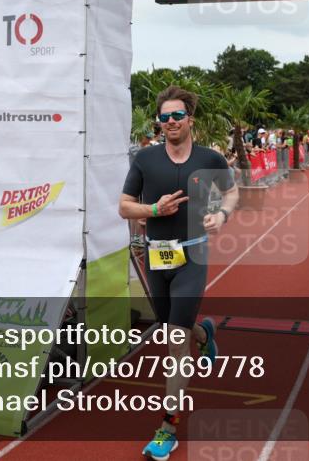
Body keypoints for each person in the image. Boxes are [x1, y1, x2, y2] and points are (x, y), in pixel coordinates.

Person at [119, 85, 238, 460]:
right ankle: (204, 334)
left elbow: (232, 193)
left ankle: (168, 425)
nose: (170, 122)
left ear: (190, 120)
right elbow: (124, 208)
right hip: (156, 259)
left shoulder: (210, 158)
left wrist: (220, 214)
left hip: (192, 256)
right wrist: (154, 211)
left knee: (172, 341)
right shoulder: (144, 159)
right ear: (160, 122)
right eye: (165, 117)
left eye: (177, 116)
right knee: (178, 330)